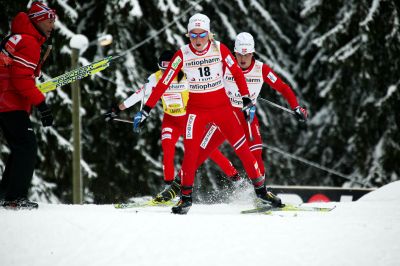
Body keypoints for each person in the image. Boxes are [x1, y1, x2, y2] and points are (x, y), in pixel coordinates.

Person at [133, 13, 282, 214]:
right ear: (188, 36)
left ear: (209, 34)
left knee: (243, 149)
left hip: (223, 109)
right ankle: (185, 198)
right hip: (196, 110)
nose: (197, 40)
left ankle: (262, 191)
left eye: (201, 34)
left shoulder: (219, 48)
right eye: (193, 35)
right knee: (191, 152)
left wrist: (246, 98)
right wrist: (146, 109)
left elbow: (237, 73)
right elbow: (164, 82)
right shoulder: (182, 54)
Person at [154, 32, 308, 205]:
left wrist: (296, 106)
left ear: (253, 53)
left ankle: (262, 194)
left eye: (247, 54)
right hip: (224, 117)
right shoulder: (225, 64)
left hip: (246, 119)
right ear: (234, 53)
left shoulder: (261, 69)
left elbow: (283, 87)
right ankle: (176, 186)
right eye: (239, 54)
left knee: (255, 154)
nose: (242, 59)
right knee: (200, 152)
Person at [104, 50, 240, 204]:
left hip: (189, 120)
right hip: (171, 121)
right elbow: (138, 96)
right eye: (163, 69)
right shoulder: (155, 79)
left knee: (209, 151)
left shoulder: (188, 75)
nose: (167, 72)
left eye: (170, 68)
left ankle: (235, 177)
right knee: (167, 146)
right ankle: (169, 189)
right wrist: (117, 108)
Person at [0, 1, 56, 209]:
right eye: (49, 21)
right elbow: (21, 80)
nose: (52, 26)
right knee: (27, 146)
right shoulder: (29, 42)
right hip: (10, 101)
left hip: (5, 101)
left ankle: (6, 193)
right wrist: (43, 107)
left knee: (19, 147)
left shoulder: (17, 37)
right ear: (38, 20)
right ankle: (15, 198)